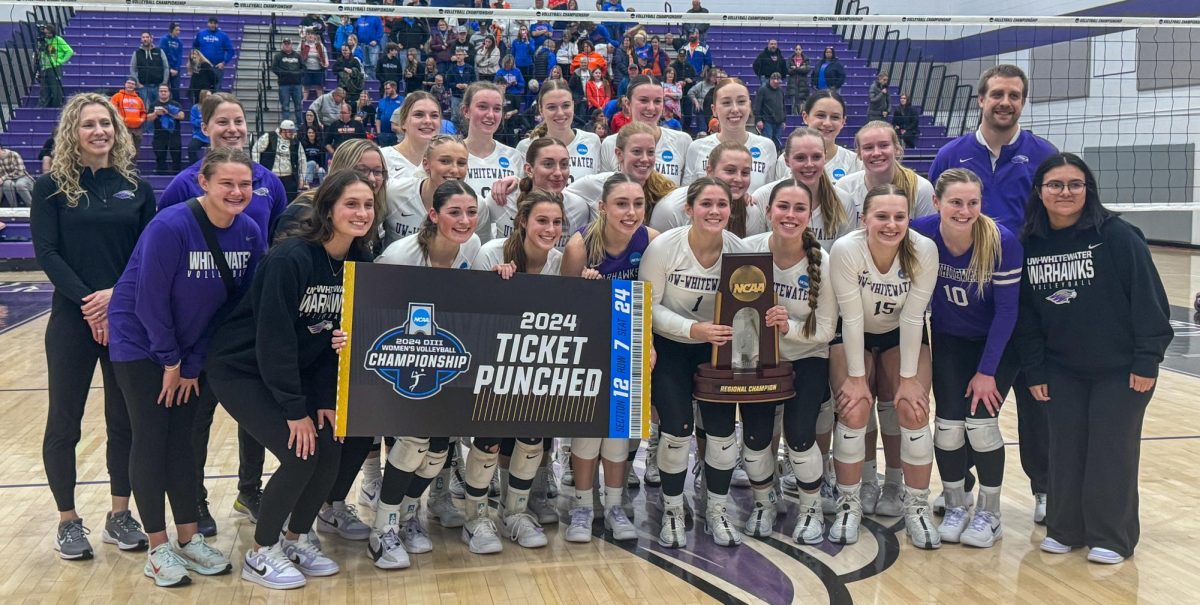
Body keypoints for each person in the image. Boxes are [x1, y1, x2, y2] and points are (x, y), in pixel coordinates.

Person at [206, 169, 378, 589]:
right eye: (351, 204)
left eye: (368, 205)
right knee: (301, 453)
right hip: (241, 368)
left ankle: (296, 539)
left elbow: (332, 339)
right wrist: (294, 409)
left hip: (297, 370)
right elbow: (275, 339)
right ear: (328, 209)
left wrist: (320, 398)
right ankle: (261, 552)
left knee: (330, 449)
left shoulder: (360, 261)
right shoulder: (291, 258)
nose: (361, 213)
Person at [108, 147, 260, 587]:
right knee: (152, 437)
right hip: (141, 343)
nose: (236, 192)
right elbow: (147, 300)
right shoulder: (170, 226)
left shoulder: (249, 232)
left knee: (184, 441)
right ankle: (158, 549)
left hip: (192, 351)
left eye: (244, 184)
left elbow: (237, 308)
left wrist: (192, 364)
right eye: (227, 183)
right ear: (204, 183)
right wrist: (170, 359)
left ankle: (189, 538)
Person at [1017, 152, 1172, 564]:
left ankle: (1112, 537)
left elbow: (1149, 300)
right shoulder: (1030, 242)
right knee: (1063, 449)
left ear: (1088, 190)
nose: (1065, 192)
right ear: (1040, 192)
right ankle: (1065, 529)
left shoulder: (1118, 236)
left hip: (1119, 370)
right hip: (1061, 368)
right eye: (1055, 185)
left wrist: (1147, 360)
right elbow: (1027, 315)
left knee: (1111, 450)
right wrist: (1035, 368)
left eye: (1074, 184)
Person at [928, 64, 1058, 520]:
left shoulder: (1043, 154)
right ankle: (958, 487)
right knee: (961, 402)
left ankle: (1045, 490)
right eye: (997, 94)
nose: (1006, 102)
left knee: (1036, 398)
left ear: (1023, 102)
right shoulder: (951, 153)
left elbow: (1055, 216)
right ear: (980, 99)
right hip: (966, 301)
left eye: (1015, 95)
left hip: (1027, 296)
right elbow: (934, 223)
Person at [31, 93, 156, 560]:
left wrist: (114, 299)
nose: (99, 131)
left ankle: (119, 514)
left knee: (124, 420)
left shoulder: (136, 187)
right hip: (72, 319)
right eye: (89, 125)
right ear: (73, 132)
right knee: (64, 422)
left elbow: (147, 255)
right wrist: (89, 301)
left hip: (125, 318)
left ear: (118, 130)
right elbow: (48, 253)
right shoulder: (50, 188)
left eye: (106, 123)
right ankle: (67, 520)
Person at [159, 92, 290, 536]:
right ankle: (195, 498)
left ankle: (249, 490)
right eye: (222, 122)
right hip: (196, 328)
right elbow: (163, 248)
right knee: (197, 420)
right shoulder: (183, 183)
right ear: (205, 126)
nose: (232, 129)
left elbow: (279, 247)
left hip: (246, 323)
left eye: (238, 121)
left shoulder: (269, 181)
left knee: (253, 416)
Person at [369, 180, 481, 568]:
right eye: (454, 212)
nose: (464, 220)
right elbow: (371, 308)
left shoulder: (474, 247)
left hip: (446, 361)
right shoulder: (401, 256)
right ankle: (382, 527)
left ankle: (410, 514)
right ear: (433, 215)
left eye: (470, 212)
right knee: (412, 443)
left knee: (438, 452)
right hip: (398, 362)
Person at [908, 168, 1022, 548]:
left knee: (982, 424)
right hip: (950, 340)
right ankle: (956, 503)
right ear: (937, 202)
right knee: (948, 426)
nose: (964, 210)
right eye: (955, 202)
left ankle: (991, 515)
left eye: (973, 202)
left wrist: (987, 371)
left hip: (996, 345)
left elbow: (1007, 314)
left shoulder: (1001, 241)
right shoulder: (920, 232)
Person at [828, 184, 939, 548]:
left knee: (911, 407)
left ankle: (913, 501)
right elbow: (852, 317)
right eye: (881, 216)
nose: (891, 224)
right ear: (864, 219)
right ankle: (851, 499)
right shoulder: (847, 249)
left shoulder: (923, 249)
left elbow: (913, 319)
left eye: (899, 217)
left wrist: (908, 380)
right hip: (852, 331)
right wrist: (858, 379)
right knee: (855, 407)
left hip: (899, 334)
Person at [640, 177, 748, 548]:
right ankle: (672, 508)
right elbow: (647, 305)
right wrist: (692, 328)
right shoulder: (665, 248)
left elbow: (748, 306)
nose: (715, 211)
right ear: (689, 209)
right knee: (677, 429)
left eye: (722, 204)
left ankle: (715, 509)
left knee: (721, 433)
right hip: (670, 346)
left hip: (715, 349)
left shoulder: (738, 250)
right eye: (706, 204)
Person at [463, 189, 565, 553]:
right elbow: (469, 313)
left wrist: (587, 281)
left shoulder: (561, 260)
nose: (550, 228)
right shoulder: (491, 253)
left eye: (556, 221)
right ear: (522, 221)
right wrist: (493, 283)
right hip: (491, 362)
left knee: (532, 436)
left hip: (536, 364)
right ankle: (475, 518)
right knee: (489, 439)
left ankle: (515, 513)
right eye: (541, 220)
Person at [560, 173, 659, 542]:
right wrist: (586, 293)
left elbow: (654, 300)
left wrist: (647, 343)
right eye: (621, 204)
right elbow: (564, 308)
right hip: (587, 345)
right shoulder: (580, 244)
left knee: (619, 433)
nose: (630, 212)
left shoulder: (651, 241)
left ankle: (615, 505)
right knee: (586, 433)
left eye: (637, 204)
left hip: (629, 345)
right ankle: (583, 507)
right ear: (602, 207)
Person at [741, 179, 838, 543]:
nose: (790, 215)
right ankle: (765, 502)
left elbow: (826, 331)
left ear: (810, 215)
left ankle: (810, 507)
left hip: (806, 357)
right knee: (754, 438)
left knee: (799, 437)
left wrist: (789, 328)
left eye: (799, 208)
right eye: (783, 206)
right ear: (768, 212)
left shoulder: (823, 263)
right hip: (755, 359)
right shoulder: (747, 251)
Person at [837, 120, 936, 227]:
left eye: (883, 145)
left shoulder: (920, 188)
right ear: (859, 154)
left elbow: (925, 237)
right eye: (868, 147)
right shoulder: (845, 187)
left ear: (896, 149)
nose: (876, 153)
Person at [653, 141, 765, 236]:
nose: (739, 179)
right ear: (709, 171)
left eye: (745, 173)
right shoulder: (671, 208)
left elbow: (748, 257)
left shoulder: (749, 211)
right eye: (730, 171)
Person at [599, 75, 692, 185]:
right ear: (628, 104)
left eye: (657, 101)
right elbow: (606, 193)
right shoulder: (610, 144)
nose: (651, 108)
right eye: (643, 100)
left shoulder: (682, 141)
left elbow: (686, 195)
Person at [382, 135, 470, 246]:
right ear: (426, 164)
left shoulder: (475, 206)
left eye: (461, 163)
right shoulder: (394, 193)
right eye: (445, 161)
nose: (454, 169)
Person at [460, 83, 523, 204]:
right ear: (466, 111)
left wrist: (520, 185)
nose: (490, 115)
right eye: (483, 107)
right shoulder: (451, 156)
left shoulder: (514, 156)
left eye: (497, 109)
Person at [381, 91, 443, 180]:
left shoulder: (448, 162)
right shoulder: (383, 158)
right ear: (403, 122)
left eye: (434, 116)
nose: (428, 121)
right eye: (419, 115)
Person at [253, 120, 305, 201]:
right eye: (290, 131)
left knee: (289, 203)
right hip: (271, 176)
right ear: (283, 130)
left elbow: (302, 160)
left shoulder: (296, 142)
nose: (293, 133)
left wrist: (302, 178)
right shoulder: (269, 136)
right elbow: (255, 150)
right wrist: (257, 168)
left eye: (293, 131)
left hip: (289, 179)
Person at [149, 84, 185, 175]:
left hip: (174, 135)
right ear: (158, 93)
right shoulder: (153, 104)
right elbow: (148, 118)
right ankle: (161, 176)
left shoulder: (175, 104)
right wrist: (156, 114)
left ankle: (177, 176)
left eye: (165, 91)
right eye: (161, 91)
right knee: (160, 157)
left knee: (176, 157)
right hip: (159, 135)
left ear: (169, 92)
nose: (163, 93)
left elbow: (182, 116)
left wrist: (168, 112)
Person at [130, 31, 169, 109]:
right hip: (144, 87)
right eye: (143, 37)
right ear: (141, 39)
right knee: (147, 111)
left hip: (158, 86)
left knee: (160, 109)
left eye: (147, 37)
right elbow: (132, 69)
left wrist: (164, 83)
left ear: (151, 38)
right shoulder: (137, 53)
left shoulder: (159, 51)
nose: (145, 39)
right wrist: (138, 84)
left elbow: (166, 67)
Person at [193, 18, 235, 88]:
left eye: (214, 23)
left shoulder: (223, 36)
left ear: (217, 24)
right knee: (202, 90)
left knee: (216, 90)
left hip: (216, 68)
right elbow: (194, 47)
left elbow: (231, 51)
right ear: (207, 23)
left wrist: (224, 63)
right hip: (203, 67)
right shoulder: (201, 34)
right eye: (211, 23)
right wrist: (196, 60)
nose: (212, 25)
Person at [38, 24, 73, 108]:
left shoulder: (58, 40)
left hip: (54, 67)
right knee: (44, 88)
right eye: (45, 33)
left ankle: (57, 105)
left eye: (49, 33)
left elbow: (70, 51)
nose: (47, 35)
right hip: (44, 67)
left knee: (55, 88)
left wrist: (60, 61)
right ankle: (43, 106)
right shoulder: (43, 41)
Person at [273, 38, 305, 127]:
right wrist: (286, 73)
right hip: (284, 85)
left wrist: (297, 74)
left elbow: (304, 68)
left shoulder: (298, 56)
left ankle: (300, 125)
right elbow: (274, 68)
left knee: (298, 106)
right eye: (285, 44)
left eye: (288, 44)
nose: (287, 45)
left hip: (297, 84)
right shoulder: (278, 56)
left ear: (291, 45)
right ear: (282, 45)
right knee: (285, 106)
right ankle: (285, 126)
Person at [753, 73, 786, 150]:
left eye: (778, 82)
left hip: (779, 121)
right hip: (767, 121)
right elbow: (757, 106)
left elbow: (783, 105)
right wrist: (758, 120)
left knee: (777, 143)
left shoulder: (781, 90)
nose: (776, 84)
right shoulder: (763, 90)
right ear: (770, 80)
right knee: (767, 142)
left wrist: (784, 120)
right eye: (774, 82)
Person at [112, 79, 147, 148]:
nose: (130, 85)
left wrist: (141, 120)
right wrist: (120, 119)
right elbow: (112, 110)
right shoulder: (117, 96)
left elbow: (143, 112)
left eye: (132, 84)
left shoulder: (139, 99)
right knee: (122, 150)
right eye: (128, 83)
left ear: (135, 86)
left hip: (137, 130)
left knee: (135, 152)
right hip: (122, 128)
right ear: (125, 84)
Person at [0, 142, 35, 207]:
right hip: (9, 179)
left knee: (20, 185)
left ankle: (32, 206)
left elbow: (20, 171)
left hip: (22, 177)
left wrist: (3, 178)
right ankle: (13, 207)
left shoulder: (13, 154)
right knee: (7, 184)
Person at [158, 22, 184, 103]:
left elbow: (180, 56)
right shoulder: (164, 39)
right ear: (171, 30)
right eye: (176, 30)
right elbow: (162, 55)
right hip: (165, 68)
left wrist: (176, 69)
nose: (178, 32)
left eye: (179, 30)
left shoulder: (179, 42)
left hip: (176, 69)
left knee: (176, 90)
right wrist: (168, 68)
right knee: (164, 88)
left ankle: (176, 106)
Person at [301, 31, 330, 101]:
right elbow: (297, 57)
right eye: (308, 34)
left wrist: (322, 61)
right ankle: (303, 103)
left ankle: (320, 103)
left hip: (318, 70)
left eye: (312, 34)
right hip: (306, 70)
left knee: (319, 88)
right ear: (306, 36)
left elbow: (326, 60)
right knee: (306, 88)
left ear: (315, 36)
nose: (310, 36)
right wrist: (303, 57)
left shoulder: (321, 46)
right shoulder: (302, 45)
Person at [355, 14, 385, 79]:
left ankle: (374, 80)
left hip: (374, 45)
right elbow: (356, 31)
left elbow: (380, 30)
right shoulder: (359, 19)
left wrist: (376, 40)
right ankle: (367, 79)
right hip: (362, 45)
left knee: (373, 64)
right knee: (364, 63)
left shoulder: (376, 18)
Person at [188, 89, 211, 164]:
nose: (210, 98)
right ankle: (195, 167)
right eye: (208, 96)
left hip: (211, 136)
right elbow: (193, 122)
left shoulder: (215, 108)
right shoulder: (195, 108)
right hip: (199, 135)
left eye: (211, 96)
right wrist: (203, 120)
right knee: (191, 148)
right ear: (202, 97)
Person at [786, 46, 810, 114]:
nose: (798, 51)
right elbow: (788, 71)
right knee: (794, 103)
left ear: (802, 50)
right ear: (794, 50)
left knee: (803, 104)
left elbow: (806, 70)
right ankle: (794, 119)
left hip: (803, 85)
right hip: (793, 84)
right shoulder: (790, 59)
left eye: (799, 49)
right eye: (796, 49)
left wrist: (795, 68)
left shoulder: (806, 59)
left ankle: (802, 121)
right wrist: (800, 69)